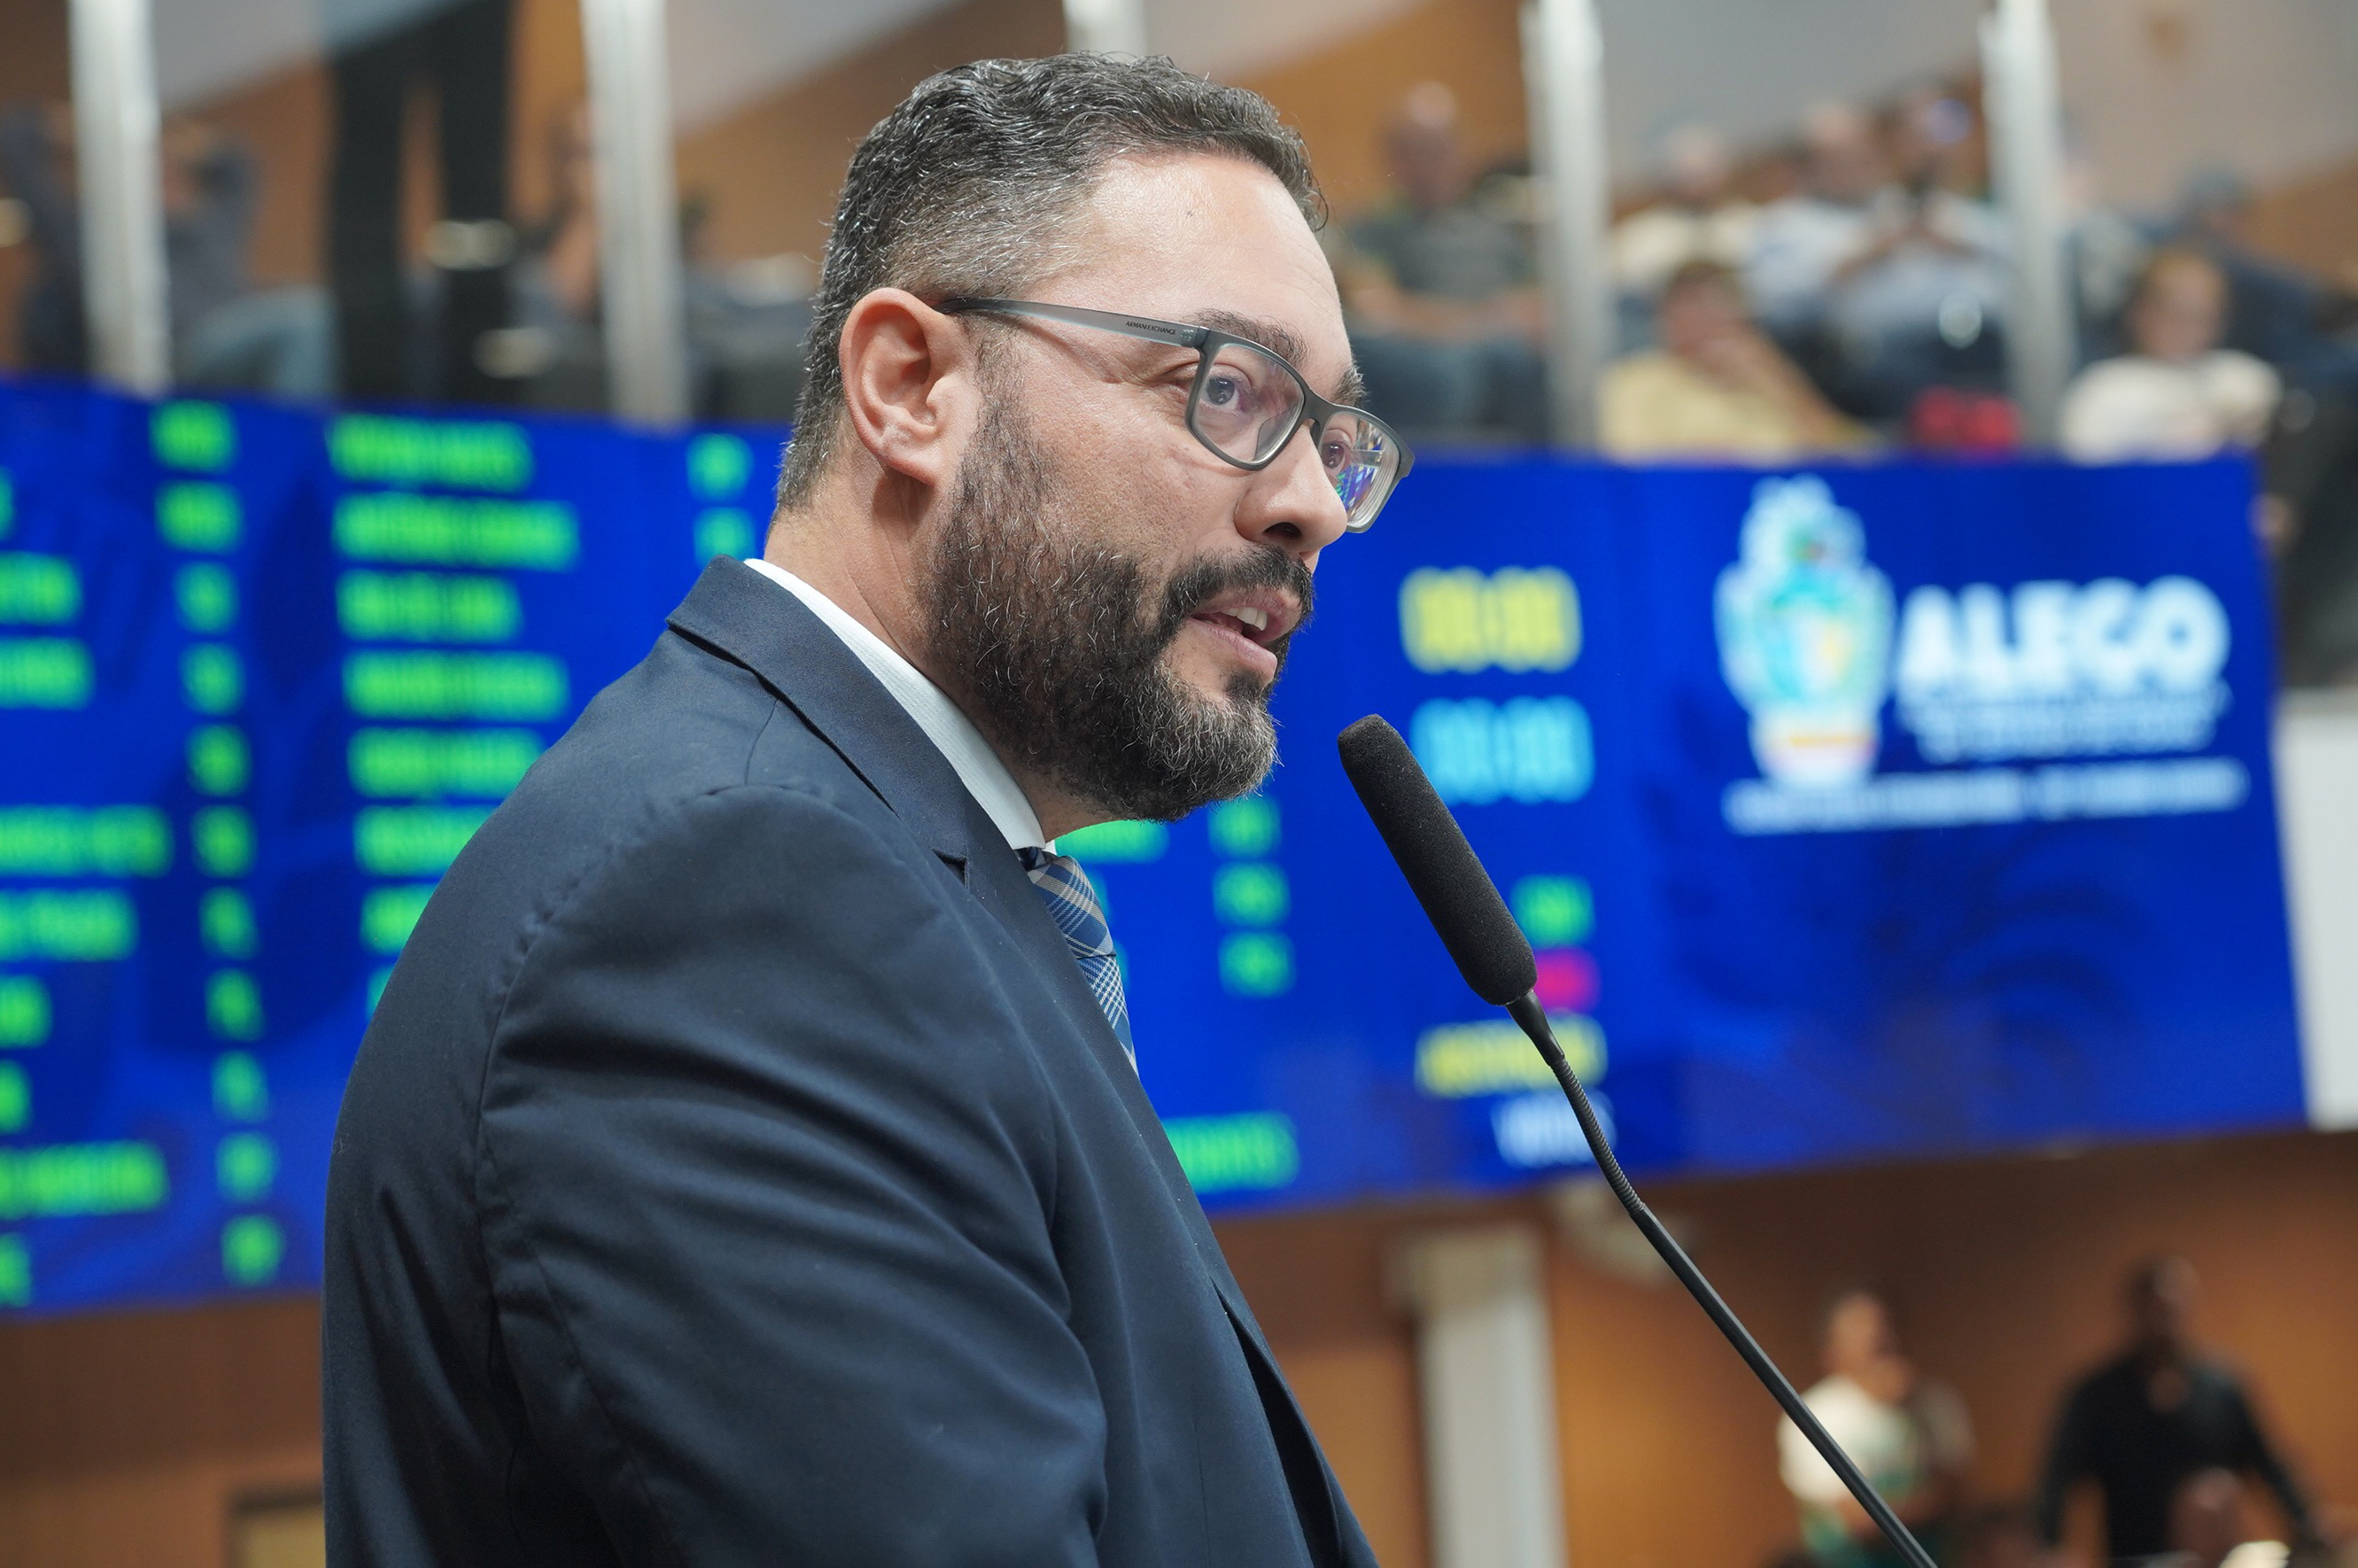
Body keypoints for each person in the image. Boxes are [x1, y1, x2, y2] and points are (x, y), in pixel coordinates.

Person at [323, 52, 1410, 1566]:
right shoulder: (730, 902)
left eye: (1335, 441)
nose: (1307, 506)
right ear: (909, 387)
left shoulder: (883, 865)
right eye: (1227, 389)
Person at [2036, 1257, 2323, 1563]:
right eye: (2156, 1310)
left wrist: (2308, 1520)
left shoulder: (2221, 1387)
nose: (2164, 1322)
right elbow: (2057, 1480)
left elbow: (2268, 1461)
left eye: (2173, 1309)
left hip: (2215, 1560)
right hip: (2136, 1557)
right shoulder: (2099, 1395)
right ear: (2136, 1311)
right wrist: (2049, 1547)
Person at [1335, 81, 1547, 442]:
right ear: (1393, 156)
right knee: (1455, 372)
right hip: (1426, 366)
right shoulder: (1371, 229)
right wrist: (1484, 322)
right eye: (1414, 150)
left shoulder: (1498, 227)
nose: (1428, 164)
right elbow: (1378, 308)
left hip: (1506, 364)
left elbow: (1538, 309)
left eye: (1440, 148)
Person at [1779, 1286, 1974, 1568]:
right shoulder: (1814, 1416)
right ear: (1831, 1352)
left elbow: (1958, 1497)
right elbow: (1863, 1521)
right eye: (1860, 1332)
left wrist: (1912, 1416)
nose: (1879, 1340)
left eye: (1885, 1328)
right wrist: (1930, 1505)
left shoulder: (1936, 1404)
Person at [1601, 260, 1867, 460]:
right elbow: (1625, 461)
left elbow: (1859, 464)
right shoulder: (1634, 380)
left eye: (1711, 307)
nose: (1698, 321)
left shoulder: (1769, 374)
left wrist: (1782, 385)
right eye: (1686, 307)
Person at [2061, 249, 2280, 462]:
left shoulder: (2248, 379)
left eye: (2204, 316)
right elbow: (2091, 475)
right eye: (2177, 313)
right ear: (2139, 313)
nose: (2190, 330)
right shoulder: (2101, 393)